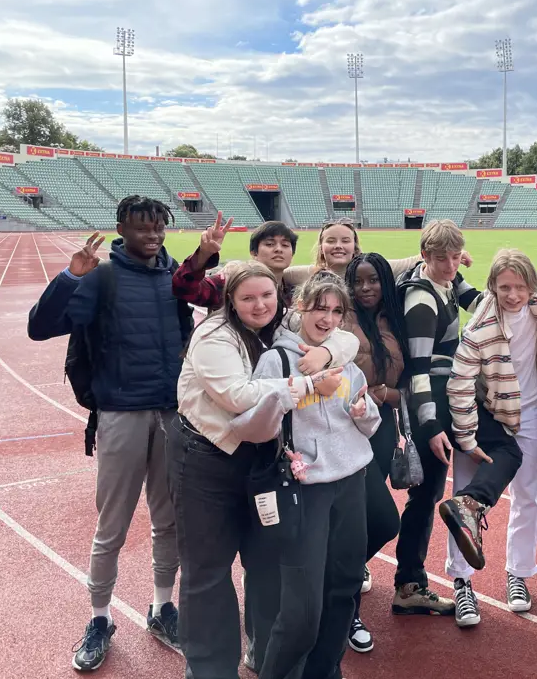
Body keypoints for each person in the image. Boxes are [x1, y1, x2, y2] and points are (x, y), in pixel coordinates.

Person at [26, 197, 193, 672]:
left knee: (171, 522)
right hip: (121, 413)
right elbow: (40, 328)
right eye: (143, 228)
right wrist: (71, 276)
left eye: (159, 227)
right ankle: (99, 619)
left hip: (172, 413)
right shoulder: (101, 276)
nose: (154, 236)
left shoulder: (173, 273)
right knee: (112, 527)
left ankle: (163, 608)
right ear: (121, 228)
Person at [172, 261, 356, 678]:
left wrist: (327, 352)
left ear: (279, 296)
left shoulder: (281, 325)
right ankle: (210, 669)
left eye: (267, 295)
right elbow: (239, 397)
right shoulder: (213, 336)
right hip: (208, 459)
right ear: (231, 301)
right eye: (248, 298)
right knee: (208, 569)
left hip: (263, 460)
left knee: (267, 563)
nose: (259, 305)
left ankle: (264, 652)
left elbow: (341, 335)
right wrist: (308, 384)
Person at [232, 272, 381, 679]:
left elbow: (371, 423)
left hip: (351, 482)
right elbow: (251, 426)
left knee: (346, 586)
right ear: (300, 308)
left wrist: (363, 412)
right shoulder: (276, 360)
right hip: (304, 491)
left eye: (336, 310)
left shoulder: (344, 359)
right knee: (302, 609)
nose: (328, 318)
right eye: (319, 307)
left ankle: (325, 669)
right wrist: (297, 392)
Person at [440, 249, 537, 626]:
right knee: (464, 496)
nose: (514, 295)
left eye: (520, 287)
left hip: (530, 412)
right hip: (486, 414)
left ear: (532, 286)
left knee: (528, 495)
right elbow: (458, 386)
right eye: (505, 287)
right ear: (492, 287)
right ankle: (461, 582)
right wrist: (467, 438)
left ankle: (518, 573)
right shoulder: (479, 331)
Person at [392, 219, 482, 616]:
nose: (450, 266)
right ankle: (408, 583)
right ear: (424, 256)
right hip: (431, 403)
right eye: (441, 258)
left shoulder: (445, 280)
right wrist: (430, 427)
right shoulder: (423, 301)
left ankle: (411, 580)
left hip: (445, 396)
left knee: (426, 495)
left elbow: (477, 301)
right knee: (425, 495)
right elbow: (418, 369)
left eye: (455, 257)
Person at [342, 253, 407, 652]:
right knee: (384, 521)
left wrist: (387, 394)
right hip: (345, 431)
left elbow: (409, 383)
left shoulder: (395, 320)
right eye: (358, 281)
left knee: (364, 523)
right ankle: (343, 601)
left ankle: (339, 588)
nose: (365, 288)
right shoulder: (341, 316)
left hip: (382, 430)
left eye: (374, 281)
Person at [283, 217, 471, 286]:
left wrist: (452, 254)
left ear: (355, 247)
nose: (338, 245)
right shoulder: (306, 274)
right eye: (331, 241)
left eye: (345, 240)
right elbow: (276, 275)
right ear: (321, 248)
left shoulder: (370, 269)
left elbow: (409, 262)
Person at [173, 216, 298, 310]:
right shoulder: (231, 282)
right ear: (254, 252)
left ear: (292, 253)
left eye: (285, 245)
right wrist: (203, 255)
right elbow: (184, 289)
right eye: (270, 244)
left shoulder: (295, 293)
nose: (278, 249)